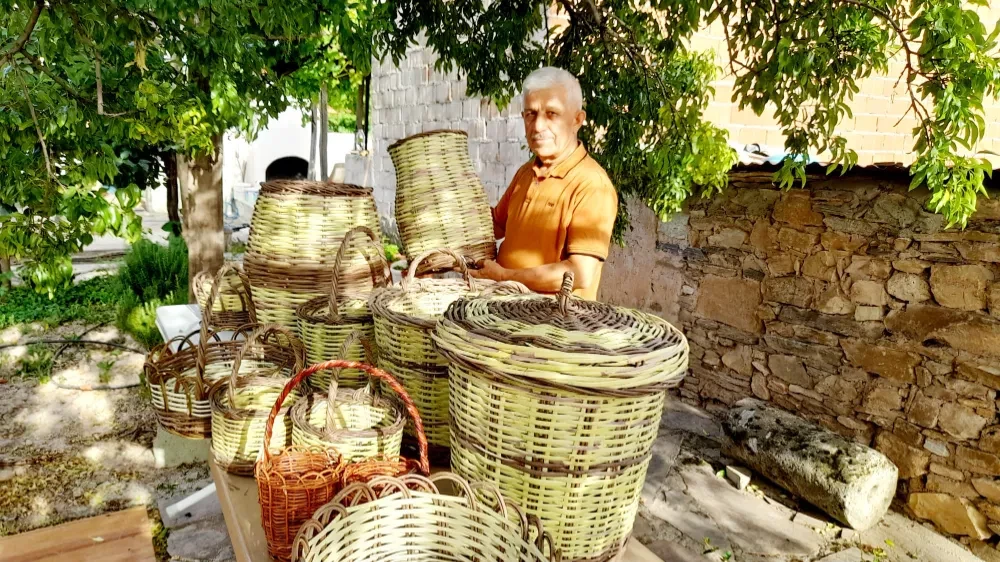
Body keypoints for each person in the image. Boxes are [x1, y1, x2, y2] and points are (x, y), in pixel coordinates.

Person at [470, 67, 618, 301]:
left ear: (577, 120)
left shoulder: (591, 185)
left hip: (553, 328)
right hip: (507, 316)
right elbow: (494, 225)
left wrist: (504, 277)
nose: (538, 126)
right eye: (531, 114)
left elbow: (579, 274)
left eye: (551, 114)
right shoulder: (526, 172)